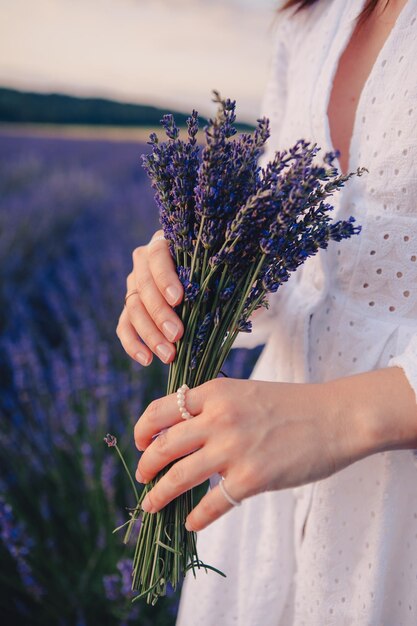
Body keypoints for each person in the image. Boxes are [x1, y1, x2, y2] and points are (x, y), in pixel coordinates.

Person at [116, 0, 417, 623]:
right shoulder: (309, 18)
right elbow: (295, 259)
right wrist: (201, 261)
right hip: (261, 460)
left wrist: (335, 419)